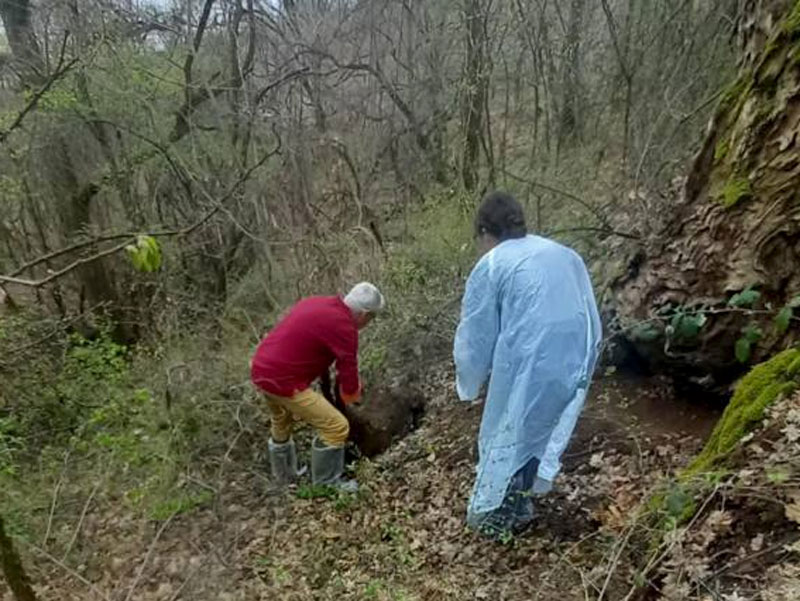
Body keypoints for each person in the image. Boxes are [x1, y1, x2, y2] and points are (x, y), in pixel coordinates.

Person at [453, 191, 602, 537]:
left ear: (485, 232)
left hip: (532, 356)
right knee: (539, 427)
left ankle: (493, 517)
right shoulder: (563, 253)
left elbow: (476, 332)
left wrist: (469, 380)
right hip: (575, 352)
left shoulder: (492, 263)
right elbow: (589, 308)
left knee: (510, 427)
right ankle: (520, 503)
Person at [251, 282, 386, 491]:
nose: (370, 322)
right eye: (372, 317)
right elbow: (347, 370)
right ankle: (326, 484)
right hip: (283, 380)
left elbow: (318, 349)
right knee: (336, 426)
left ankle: (285, 478)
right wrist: (353, 400)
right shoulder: (344, 327)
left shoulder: (317, 303)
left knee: (281, 419)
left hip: (261, 368)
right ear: (364, 314)